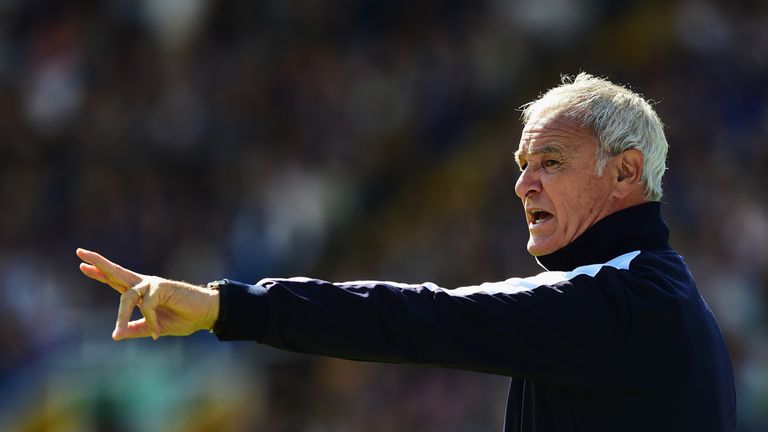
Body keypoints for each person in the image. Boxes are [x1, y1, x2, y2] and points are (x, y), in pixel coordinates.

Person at [77, 73, 736, 431]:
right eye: (522, 162)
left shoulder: (621, 303)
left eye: (552, 161)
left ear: (625, 174)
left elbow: (416, 316)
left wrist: (229, 308)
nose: (523, 182)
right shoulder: (656, 294)